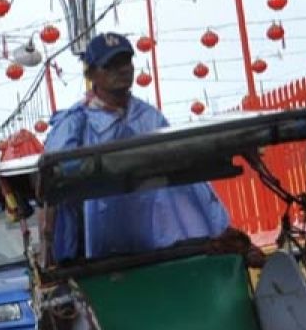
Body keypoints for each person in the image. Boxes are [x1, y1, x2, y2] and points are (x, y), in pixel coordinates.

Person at [43, 32, 263, 266]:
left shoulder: (149, 117)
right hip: (104, 252)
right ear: (92, 74)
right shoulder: (75, 123)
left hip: (161, 245)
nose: (123, 70)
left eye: (126, 61)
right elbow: (53, 177)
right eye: (111, 65)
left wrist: (219, 227)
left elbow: (189, 176)